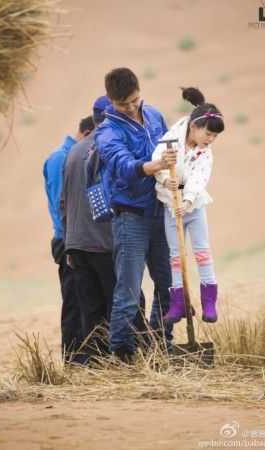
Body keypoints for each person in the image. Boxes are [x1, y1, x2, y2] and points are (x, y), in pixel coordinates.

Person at [94, 67, 177, 362]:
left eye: (135, 100)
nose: (131, 108)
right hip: (130, 218)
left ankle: (160, 346)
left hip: (162, 212)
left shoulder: (153, 114)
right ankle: (122, 354)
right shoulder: (106, 132)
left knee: (168, 287)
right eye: (122, 104)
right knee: (128, 293)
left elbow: (173, 144)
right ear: (110, 100)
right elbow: (125, 168)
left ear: (140, 91)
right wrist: (157, 165)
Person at [60, 95, 147, 361]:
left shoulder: (73, 152)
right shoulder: (107, 149)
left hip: (77, 244)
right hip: (106, 242)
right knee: (129, 302)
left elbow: (62, 203)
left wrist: (68, 244)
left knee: (92, 311)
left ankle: (97, 366)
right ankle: (137, 360)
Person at [152, 87, 224, 323]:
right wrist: (164, 178)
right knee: (176, 255)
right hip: (170, 204)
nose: (211, 140)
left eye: (215, 137)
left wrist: (188, 200)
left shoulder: (206, 152)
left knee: (202, 252)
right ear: (194, 126)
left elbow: (199, 178)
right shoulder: (170, 139)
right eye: (209, 134)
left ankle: (209, 303)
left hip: (193, 205)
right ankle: (178, 304)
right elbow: (157, 162)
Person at [43, 116, 94, 360]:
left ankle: (86, 358)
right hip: (67, 239)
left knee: (85, 299)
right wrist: (71, 243)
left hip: (78, 237)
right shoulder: (59, 158)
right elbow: (59, 204)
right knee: (73, 301)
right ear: (86, 134)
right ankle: (73, 362)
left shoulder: (71, 155)